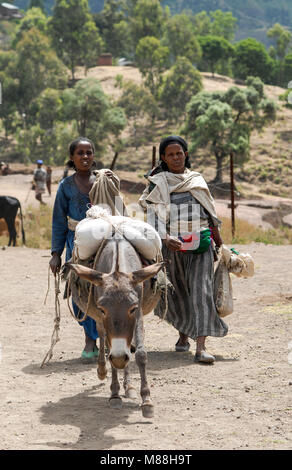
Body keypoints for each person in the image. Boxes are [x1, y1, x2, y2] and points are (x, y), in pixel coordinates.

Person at [139, 135, 228, 363]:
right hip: (172, 247)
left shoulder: (197, 180)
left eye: (179, 153)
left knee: (201, 292)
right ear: (163, 158)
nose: (176, 157)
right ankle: (183, 335)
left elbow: (210, 216)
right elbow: (153, 217)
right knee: (177, 292)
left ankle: (201, 347)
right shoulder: (158, 182)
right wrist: (165, 238)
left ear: (186, 154)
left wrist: (221, 245)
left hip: (201, 245)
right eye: (170, 154)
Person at [49, 137, 116, 361]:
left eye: (89, 152)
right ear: (72, 157)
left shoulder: (104, 180)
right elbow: (59, 220)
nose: (85, 157)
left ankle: (109, 339)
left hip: (105, 243)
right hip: (75, 244)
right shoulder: (65, 187)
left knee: (107, 291)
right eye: (80, 153)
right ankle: (90, 340)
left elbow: (117, 211)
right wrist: (56, 254)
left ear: (94, 156)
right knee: (80, 291)